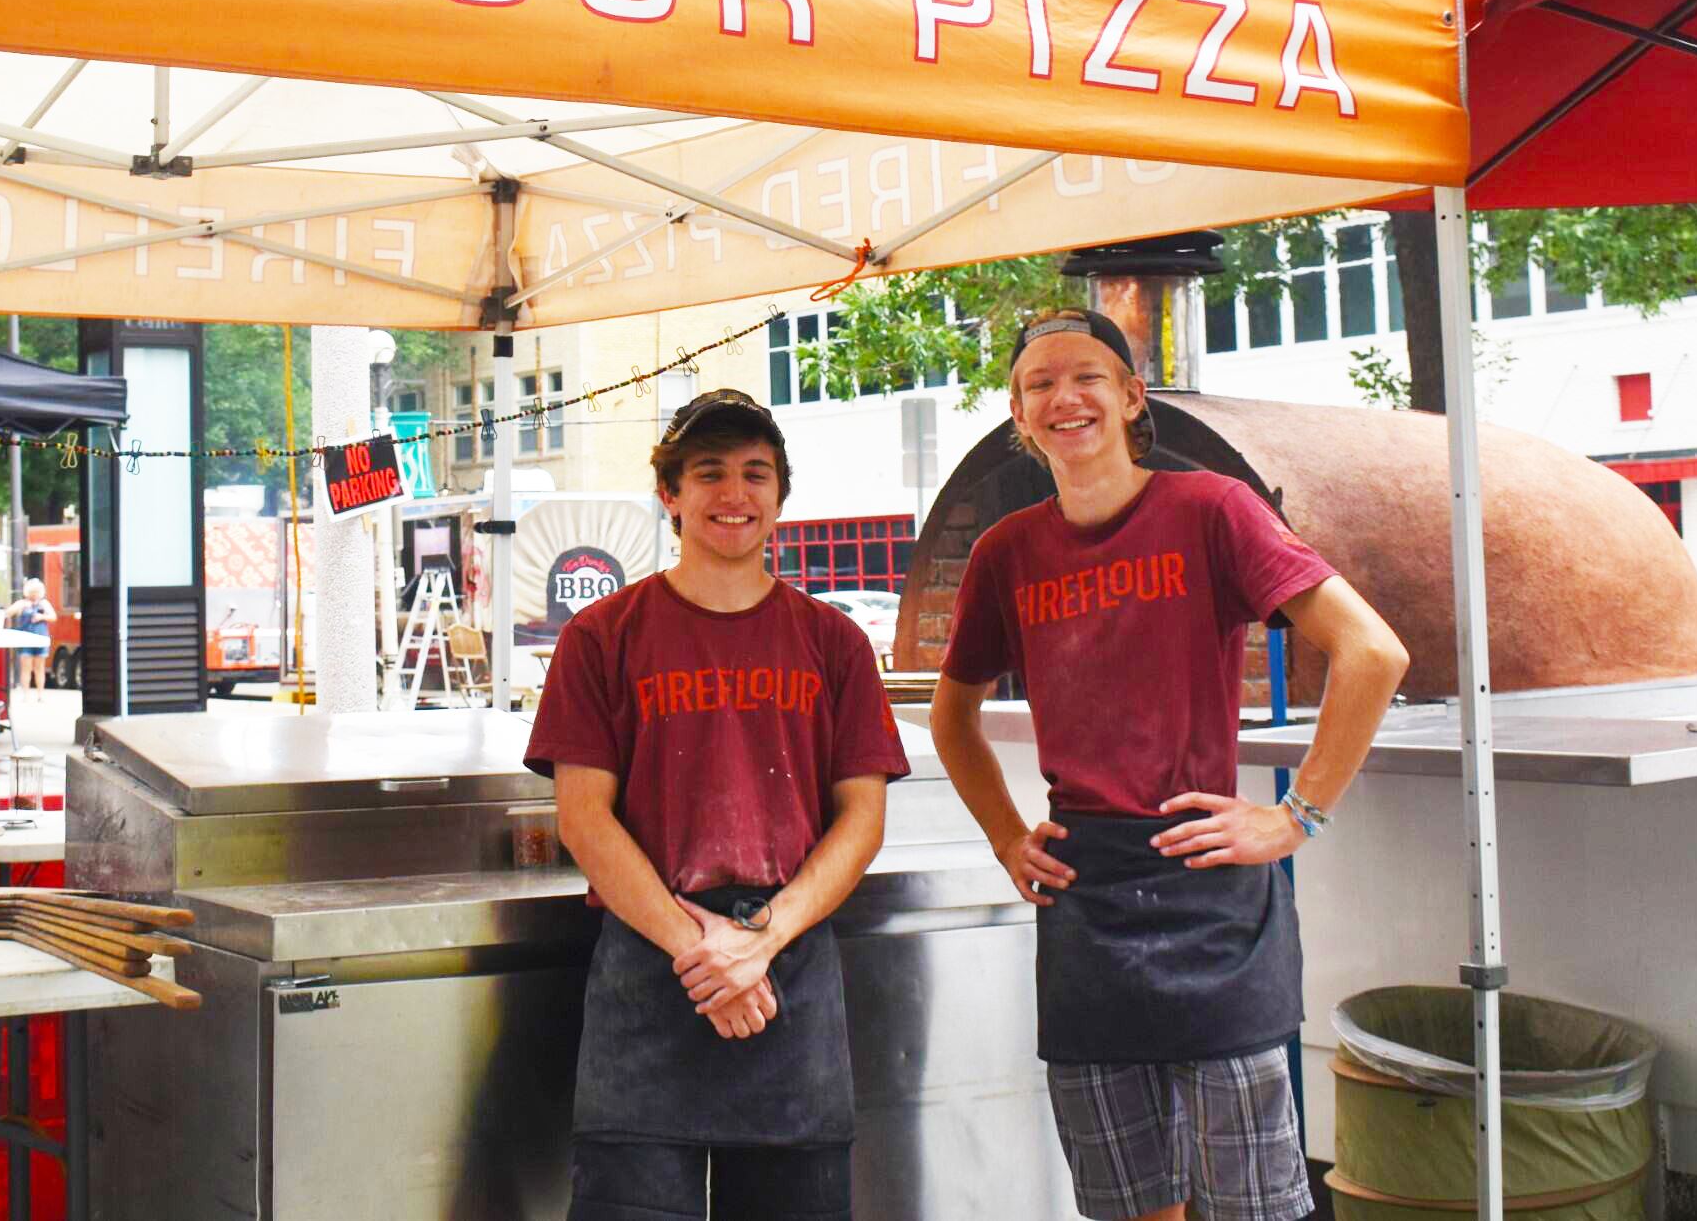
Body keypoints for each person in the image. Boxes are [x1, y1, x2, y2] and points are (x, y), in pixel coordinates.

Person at [930, 309, 1410, 1221]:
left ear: (1130, 396)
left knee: (1253, 1202)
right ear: (1019, 416)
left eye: (1087, 377)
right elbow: (953, 715)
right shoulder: (1007, 552)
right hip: (1084, 890)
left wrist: (1295, 816)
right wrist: (1005, 836)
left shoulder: (1213, 510)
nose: (1064, 397)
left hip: (1208, 875)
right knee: (1127, 1202)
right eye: (1040, 385)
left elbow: (1372, 654)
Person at [526, 388, 911, 1221]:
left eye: (754, 474)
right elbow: (584, 819)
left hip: (788, 969)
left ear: (780, 496)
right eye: (709, 474)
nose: (733, 495)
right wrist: (702, 950)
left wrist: (759, 942)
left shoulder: (834, 643)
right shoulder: (600, 638)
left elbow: (863, 819)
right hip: (653, 967)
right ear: (669, 494)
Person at [6, 578, 57, 691]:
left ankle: (40, 694)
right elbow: (8, 613)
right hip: (25, 640)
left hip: (41, 638)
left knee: (39, 668)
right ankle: (26, 694)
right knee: (26, 668)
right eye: (32, 592)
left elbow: (53, 617)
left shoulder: (44, 603)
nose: (35, 594)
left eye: (37, 592)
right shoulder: (22, 603)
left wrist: (42, 617)